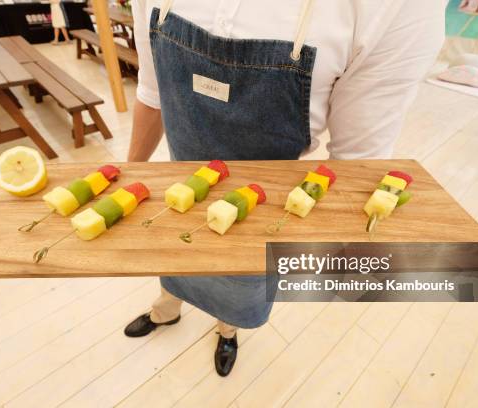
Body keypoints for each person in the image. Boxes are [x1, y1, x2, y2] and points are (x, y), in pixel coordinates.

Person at [123, 0, 444, 377]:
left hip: (260, 211)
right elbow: (152, 92)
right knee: (176, 259)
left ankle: (228, 329)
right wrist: (127, 177)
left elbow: (357, 162)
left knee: (236, 286)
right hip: (181, 181)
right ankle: (167, 308)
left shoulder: (396, 8)